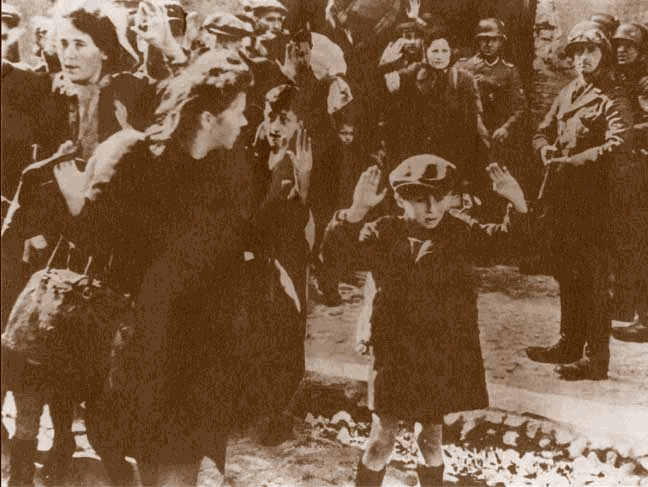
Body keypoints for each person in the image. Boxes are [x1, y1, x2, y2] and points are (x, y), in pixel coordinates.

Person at [51, 48, 255, 487]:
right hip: (142, 345)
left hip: (197, 351)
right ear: (207, 118)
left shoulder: (227, 169)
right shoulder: (138, 156)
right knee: (154, 463)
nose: (244, 121)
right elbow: (96, 240)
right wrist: (77, 205)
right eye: (238, 111)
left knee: (178, 466)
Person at [321, 156, 528, 487]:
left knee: (430, 440)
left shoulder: (460, 232)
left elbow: (511, 244)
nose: (432, 209)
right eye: (419, 199)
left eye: (440, 197)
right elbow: (333, 255)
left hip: (438, 354)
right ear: (400, 199)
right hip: (393, 354)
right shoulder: (384, 232)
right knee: (381, 440)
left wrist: (516, 203)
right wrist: (356, 211)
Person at [525, 21, 633, 380]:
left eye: (591, 51)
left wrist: (572, 162)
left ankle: (595, 359)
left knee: (593, 281)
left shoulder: (612, 97)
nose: (583, 58)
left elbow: (619, 146)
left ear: (603, 55)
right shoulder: (568, 91)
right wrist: (544, 148)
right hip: (563, 201)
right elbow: (541, 130)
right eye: (577, 52)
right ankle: (569, 343)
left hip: (596, 204)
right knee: (567, 274)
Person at [384, 27, 489, 187]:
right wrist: (386, 65)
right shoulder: (414, 73)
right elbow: (388, 87)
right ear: (426, 51)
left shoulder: (463, 79)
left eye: (444, 51)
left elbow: (472, 123)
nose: (439, 56)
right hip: (419, 152)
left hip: (453, 153)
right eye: (434, 51)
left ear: (451, 52)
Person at [609, 22, 648, 343]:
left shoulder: (644, 79)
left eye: (629, 46)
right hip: (625, 167)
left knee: (640, 242)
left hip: (642, 165)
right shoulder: (618, 76)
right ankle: (624, 304)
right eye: (618, 45)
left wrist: (624, 132)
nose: (622, 50)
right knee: (623, 238)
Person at [455, 18, 525, 180]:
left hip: (496, 136)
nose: (489, 44)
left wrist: (506, 127)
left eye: (494, 40)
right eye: (484, 39)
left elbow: (520, 107)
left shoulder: (509, 71)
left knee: (494, 179)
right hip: (468, 135)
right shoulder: (463, 66)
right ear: (477, 41)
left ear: (501, 42)